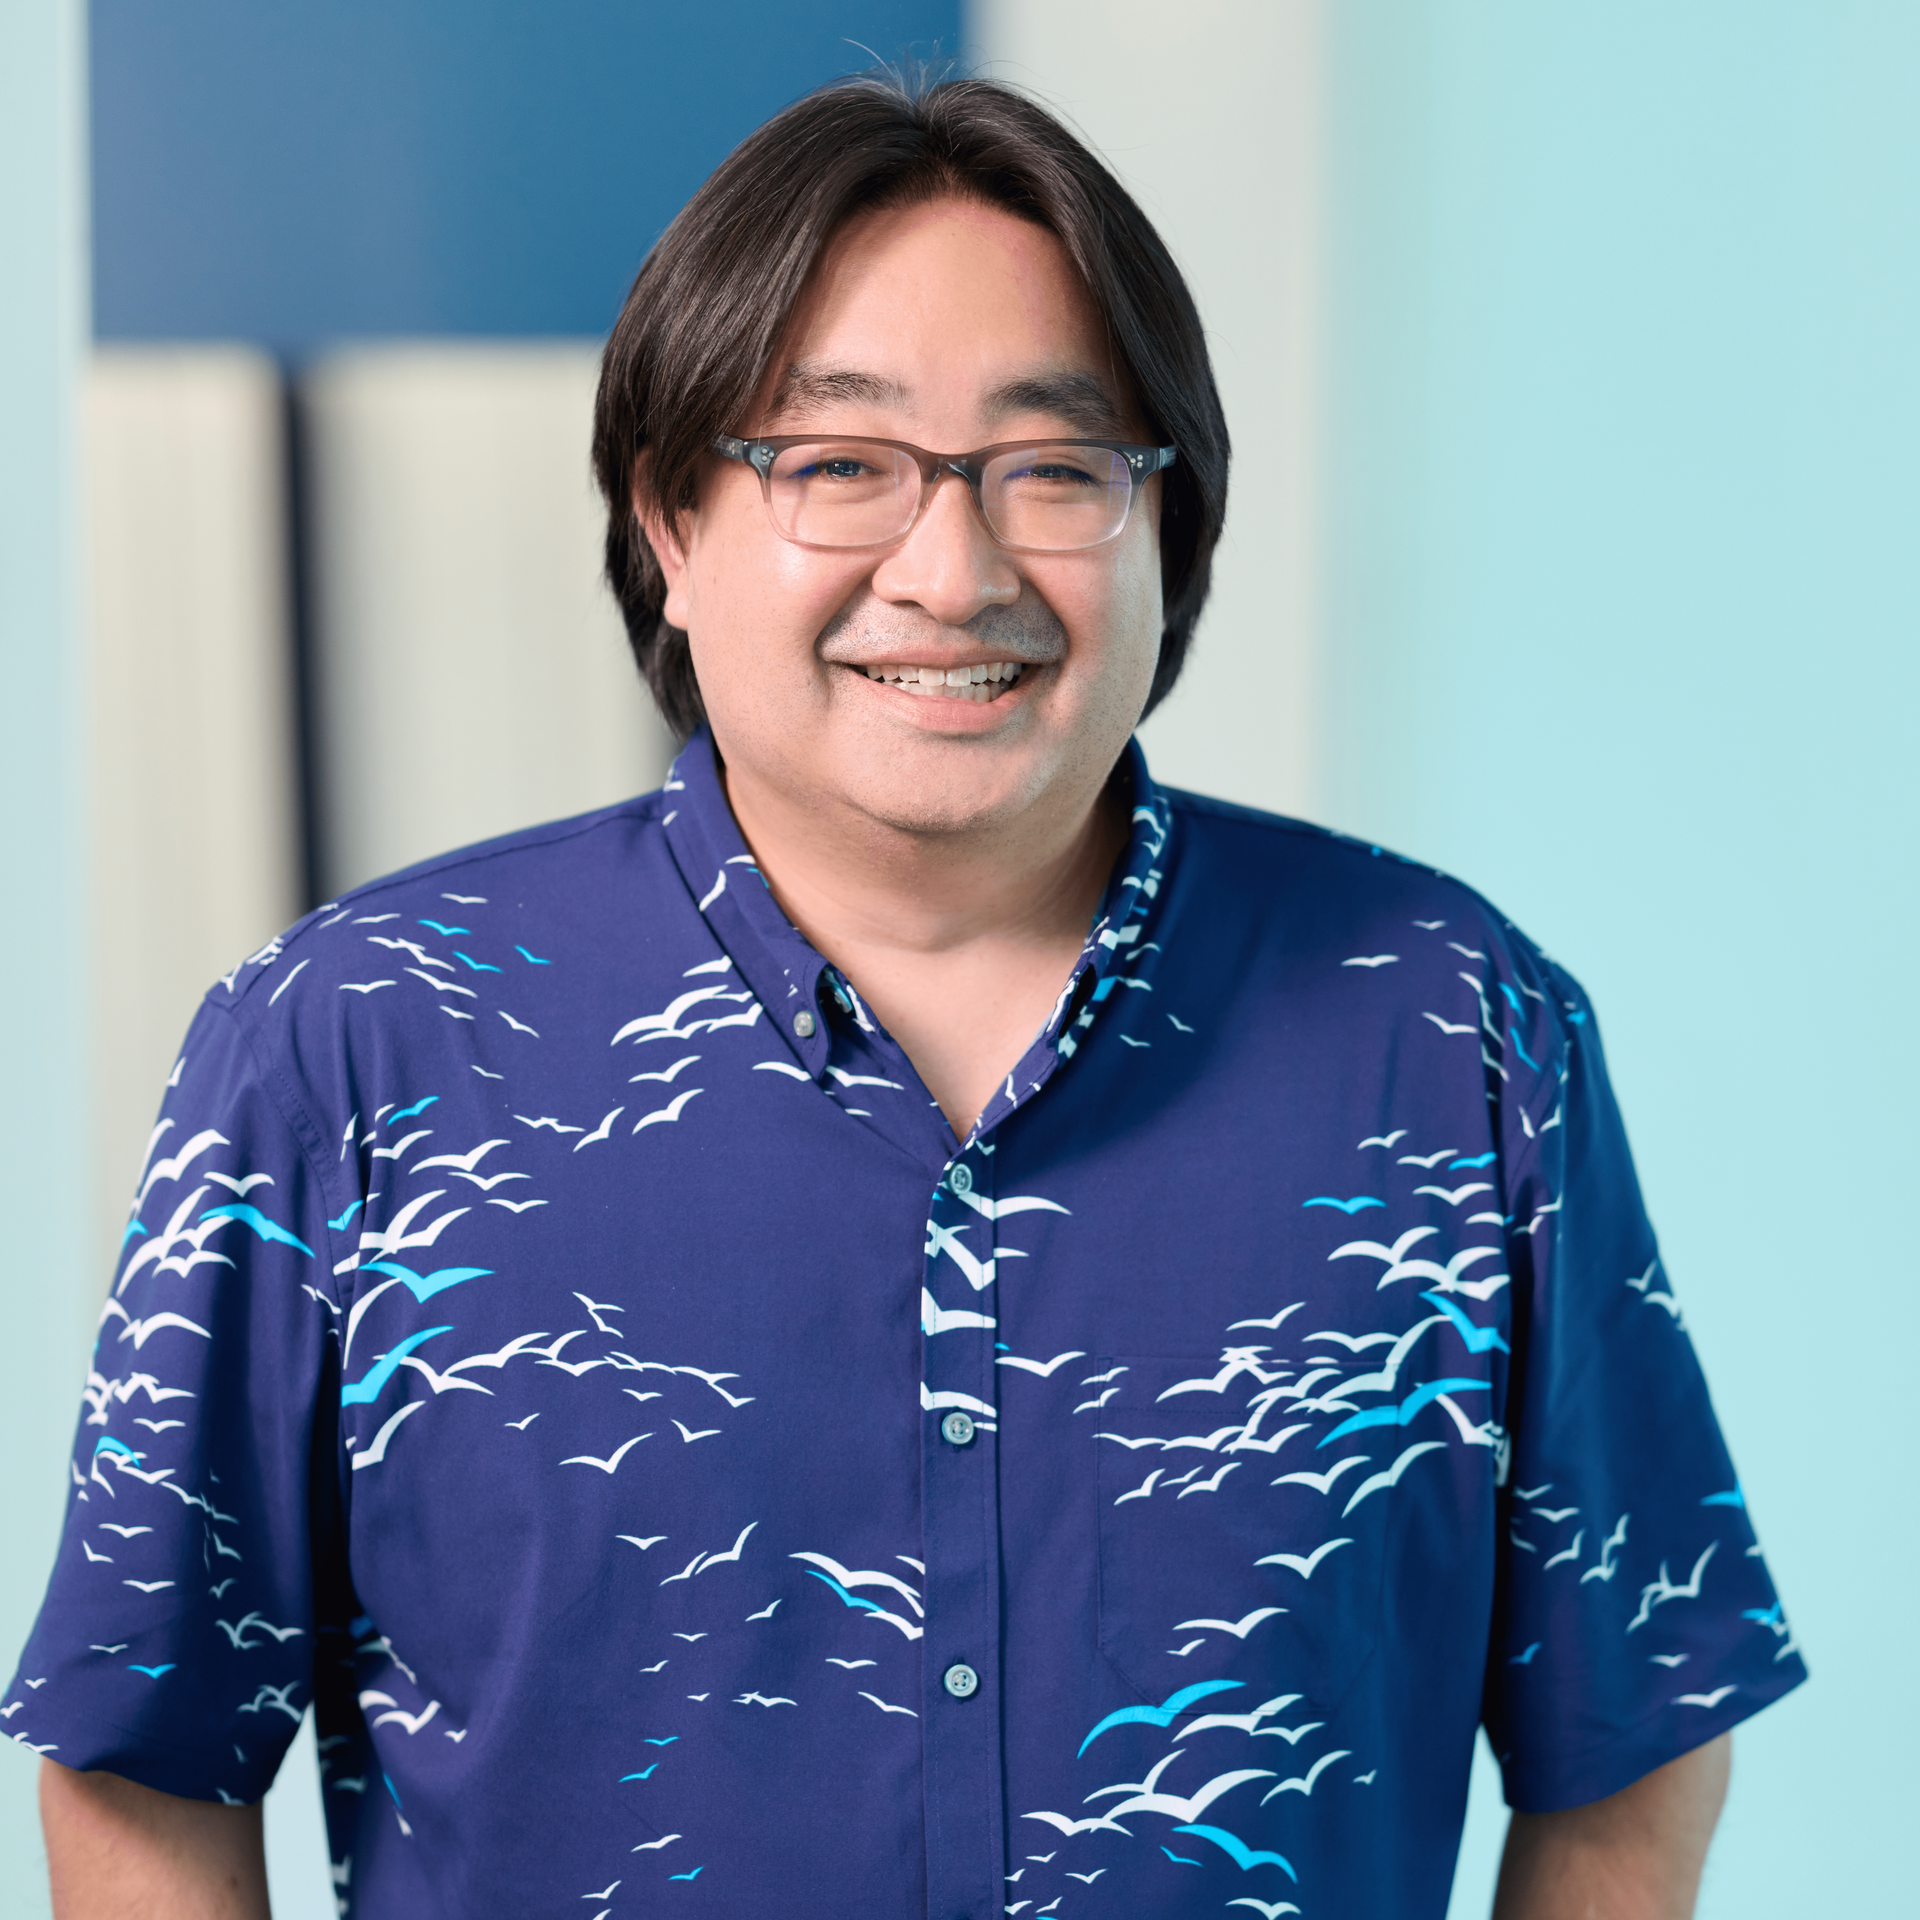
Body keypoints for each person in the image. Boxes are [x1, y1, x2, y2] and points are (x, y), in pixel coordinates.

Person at [12, 71, 1801, 1920]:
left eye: (1055, 467)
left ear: (1166, 528)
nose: (949, 573)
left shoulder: (1450, 1031)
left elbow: (1640, 1734)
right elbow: (141, 1769)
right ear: (671, 520)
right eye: (838, 463)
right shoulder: (349, 1048)